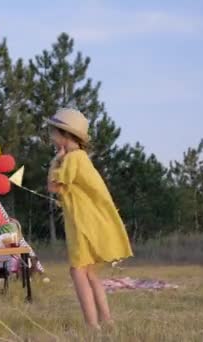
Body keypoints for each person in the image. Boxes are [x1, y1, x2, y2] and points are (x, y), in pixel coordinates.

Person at [46, 108, 133, 329]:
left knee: (77, 271)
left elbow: (53, 187)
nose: (50, 136)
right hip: (88, 222)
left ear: (64, 135)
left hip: (81, 224)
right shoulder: (81, 158)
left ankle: (92, 326)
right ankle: (106, 320)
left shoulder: (72, 159)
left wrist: (54, 162)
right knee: (90, 272)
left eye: (53, 132)